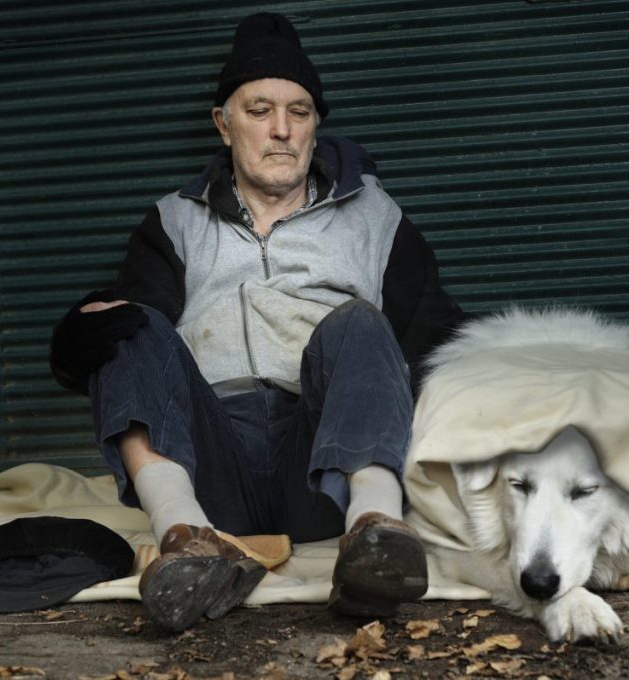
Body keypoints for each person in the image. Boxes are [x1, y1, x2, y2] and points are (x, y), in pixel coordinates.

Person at [49, 12, 465, 633]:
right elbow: (140, 359)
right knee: (130, 323)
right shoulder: (175, 221)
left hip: (326, 467)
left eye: (299, 112)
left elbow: (440, 338)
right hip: (214, 470)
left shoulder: (376, 217)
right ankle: (184, 540)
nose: (281, 131)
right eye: (259, 110)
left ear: (316, 124)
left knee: (357, 322)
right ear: (223, 123)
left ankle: (376, 534)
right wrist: (78, 341)